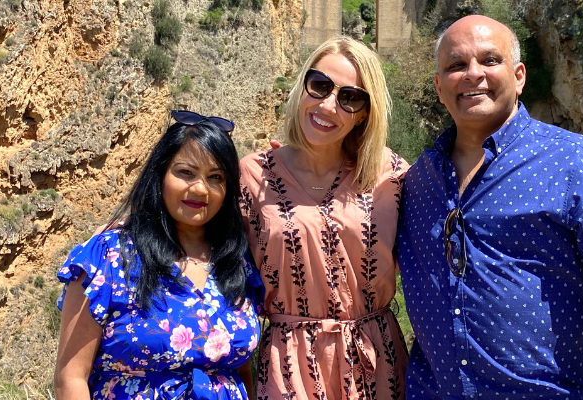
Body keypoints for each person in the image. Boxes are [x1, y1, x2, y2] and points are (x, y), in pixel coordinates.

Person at [396, 15, 583, 399]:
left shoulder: (578, 163)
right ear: (438, 86)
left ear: (518, 76)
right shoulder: (417, 180)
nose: (472, 74)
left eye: (489, 60)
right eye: (456, 65)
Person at [239, 36, 409, 400]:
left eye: (350, 97)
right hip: (289, 366)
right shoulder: (253, 175)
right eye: (320, 85)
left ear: (365, 112)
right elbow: (192, 235)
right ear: (303, 86)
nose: (328, 105)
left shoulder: (391, 175)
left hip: (377, 363)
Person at [54, 111, 263, 400]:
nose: (200, 188)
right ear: (161, 173)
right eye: (186, 172)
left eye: (216, 177)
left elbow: (240, 371)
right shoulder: (109, 256)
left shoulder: (236, 262)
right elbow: (70, 378)